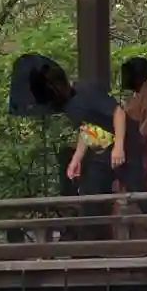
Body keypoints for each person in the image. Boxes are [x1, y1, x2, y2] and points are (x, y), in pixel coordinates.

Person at [31, 62, 120, 196]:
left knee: (136, 194)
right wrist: (76, 159)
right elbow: (87, 129)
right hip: (101, 149)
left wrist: (119, 146)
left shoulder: (86, 91)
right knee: (91, 193)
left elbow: (119, 112)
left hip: (124, 147)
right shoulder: (68, 106)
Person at [112, 56, 147, 195]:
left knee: (140, 194)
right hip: (134, 152)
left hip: (142, 153)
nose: (123, 79)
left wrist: (134, 143)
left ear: (137, 75)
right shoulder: (137, 96)